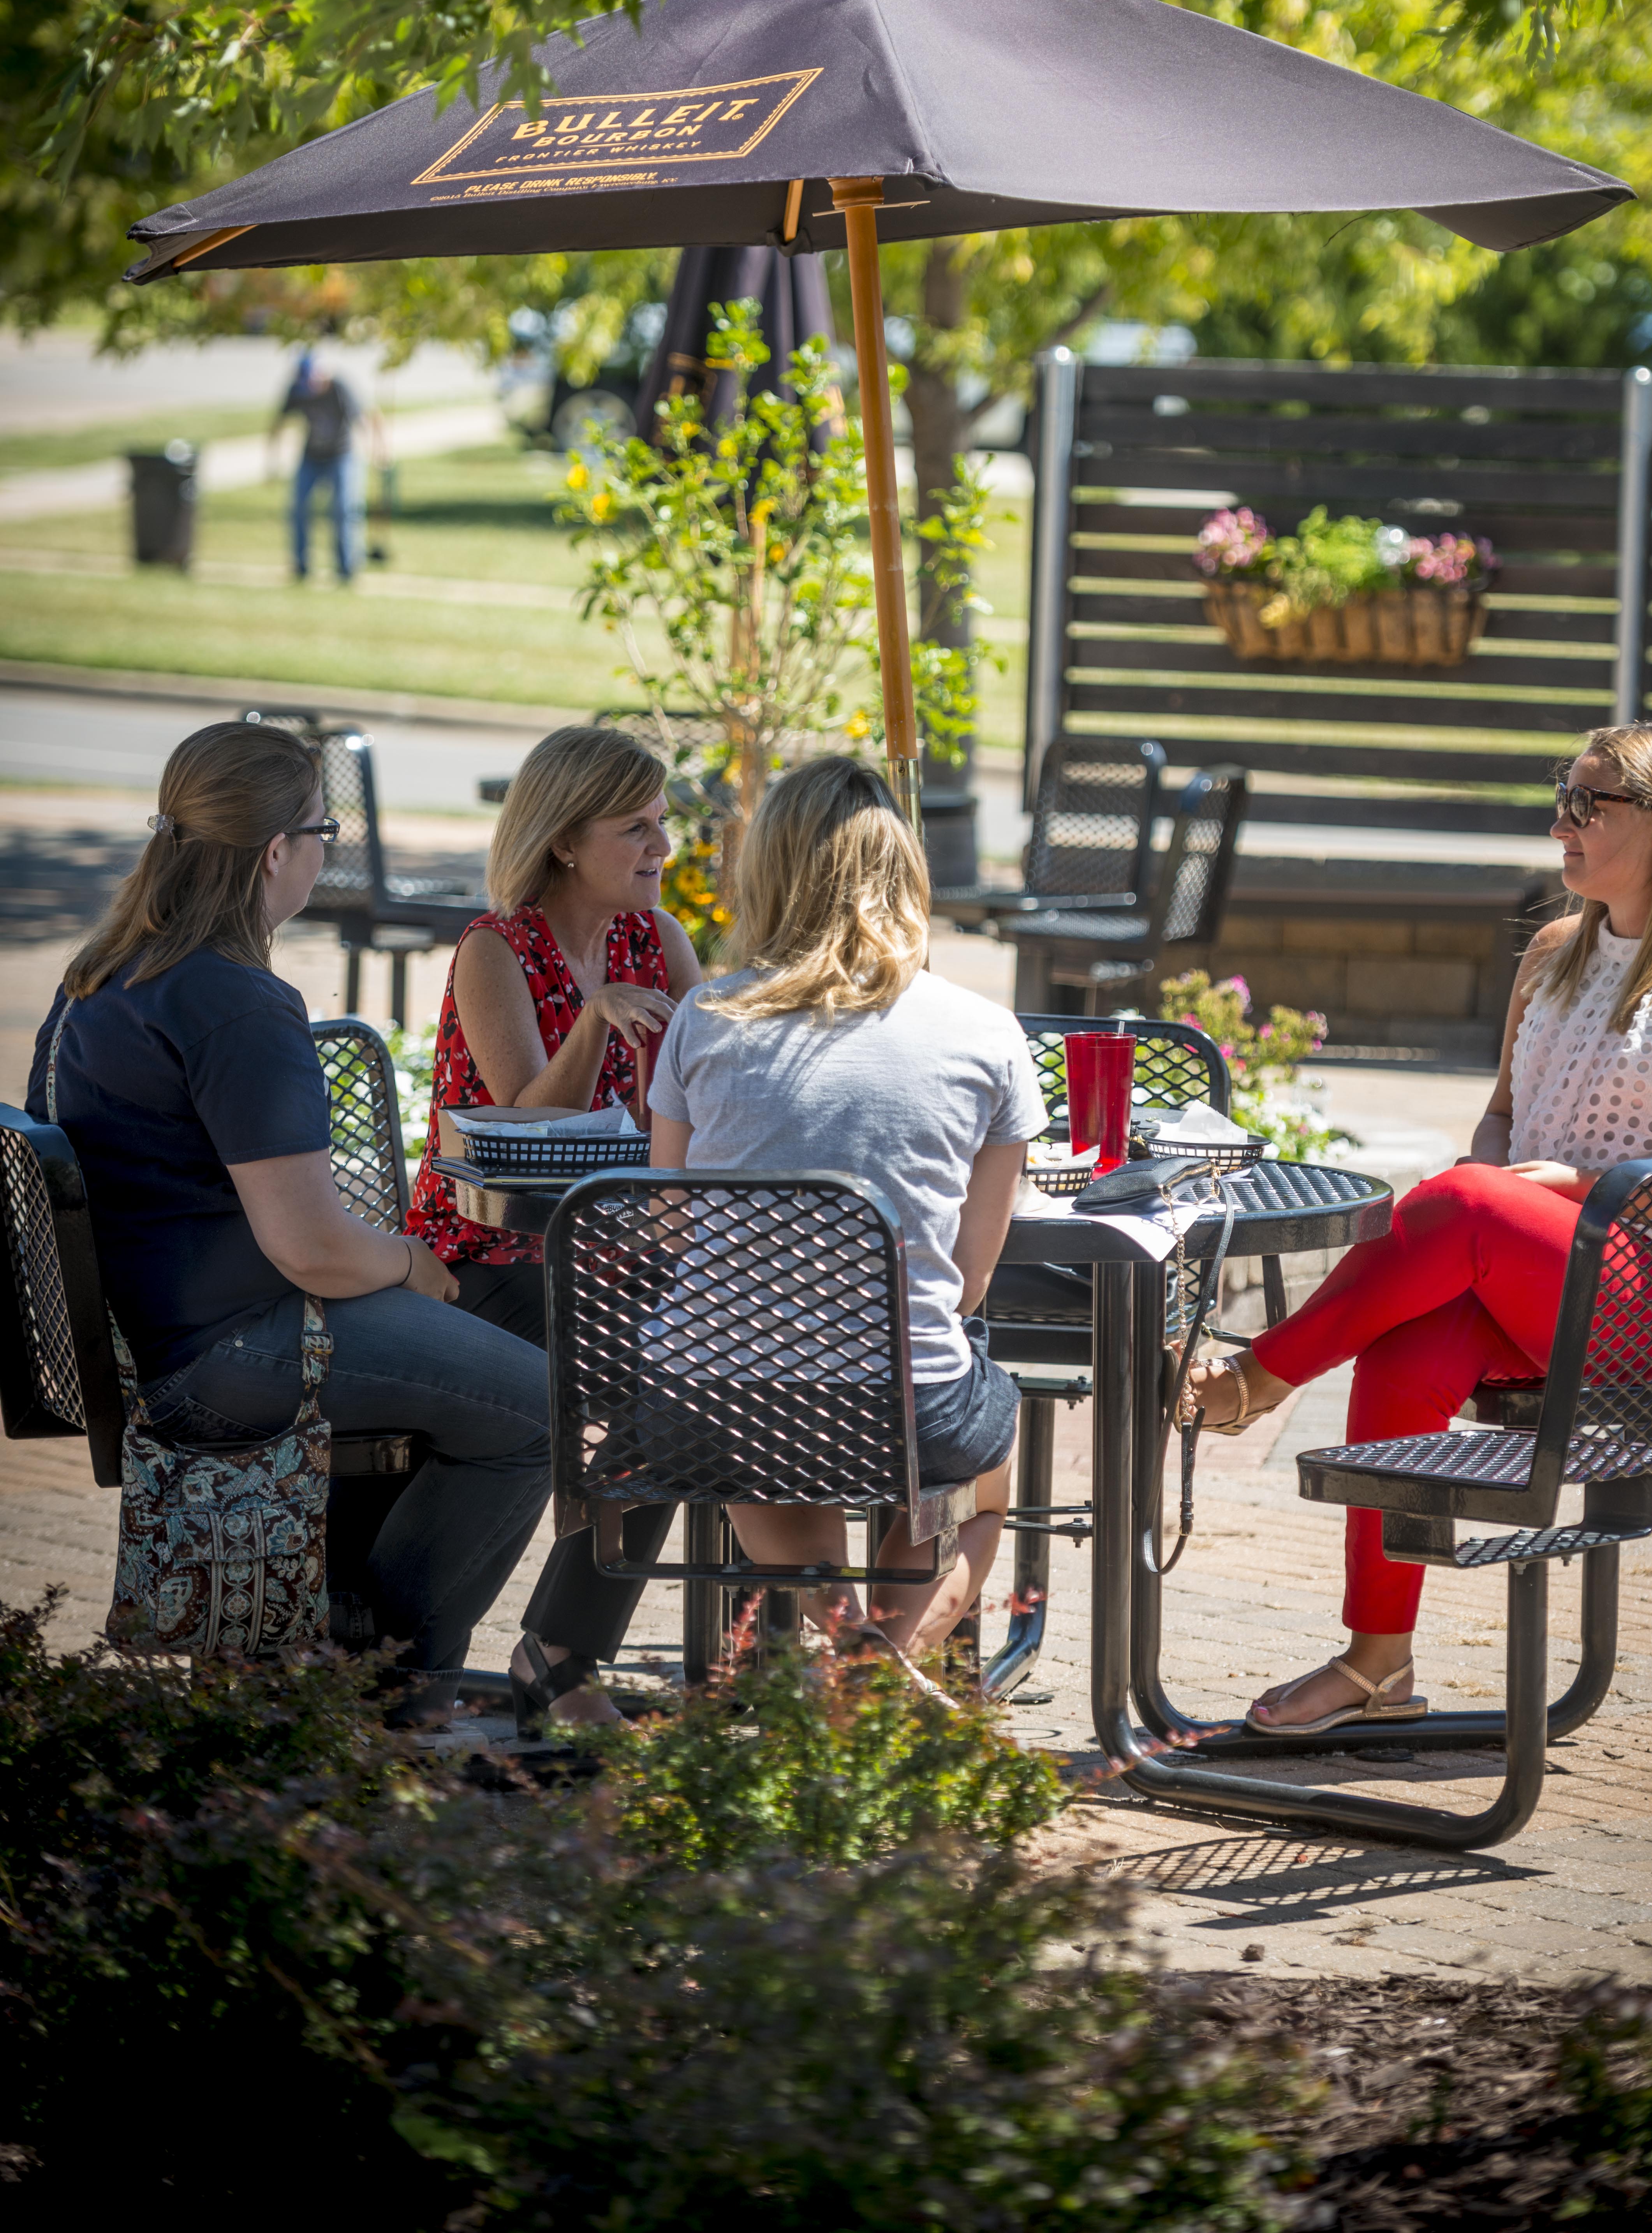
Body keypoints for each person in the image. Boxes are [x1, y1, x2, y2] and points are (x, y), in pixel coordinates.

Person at [1184, 719, 1652, 1737]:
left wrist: (1571, 1188)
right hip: (1550, 1282)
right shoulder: (1557, 952)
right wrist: (1492, 1184)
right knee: (1404, 1345)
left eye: (1586, 804)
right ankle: (1379, 1666)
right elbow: (1503, 1117)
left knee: (1467, 1205)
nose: (1558, 821)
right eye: (1562, 794)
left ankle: (1256, 1380)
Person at [26, 721, 555, 1706]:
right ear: (278, 850)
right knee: (538, 1409)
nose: (325, 853)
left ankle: (320, 1633)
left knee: (490, 1331)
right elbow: (312, 1246)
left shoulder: (103, 977)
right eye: (323, 833)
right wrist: (408, 1264)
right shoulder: (235, 1002)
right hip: (226, 1356)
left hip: (155, 1341)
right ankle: (384, 1684)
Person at [646, 754, 1044, 1660]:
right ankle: (882, 1655)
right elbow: (968, 1282)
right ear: (906, 875)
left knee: (770, 1413)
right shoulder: (986, 1032)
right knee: (978, 1447)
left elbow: (672, 1230)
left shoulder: (705, 1018)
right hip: (901, 1404)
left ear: (768, 874)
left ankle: (833, 1634)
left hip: (712, 1403)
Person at [408, 724, 702, 1724]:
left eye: (662, 822)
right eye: (636, 827)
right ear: (566, 841)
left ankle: (566, 1648)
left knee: (707, 1363)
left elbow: (711, 1088)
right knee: (670, 1372)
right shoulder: (496, 946)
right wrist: (591, 1022)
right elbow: (519, 1124)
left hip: (612, 1256)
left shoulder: (654, 939)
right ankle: (555, 1665)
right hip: (484, 1256)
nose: (661, 846)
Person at [270, 340, 383, 583]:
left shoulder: (340, 388)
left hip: (342, 456)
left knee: (344, 510)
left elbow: (368, 418)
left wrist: (377, 452)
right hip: (311, 457)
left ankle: (347, 568)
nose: (309, 387)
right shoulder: (297, 390)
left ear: (321, 374)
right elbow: (277, 424)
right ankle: (300, 567)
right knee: (299, 509)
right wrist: (272, 462)